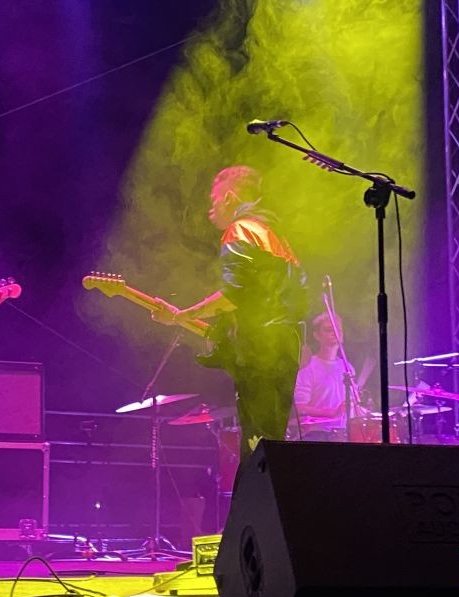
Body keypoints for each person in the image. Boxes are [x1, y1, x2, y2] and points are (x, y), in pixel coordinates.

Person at [154, 165, 309, 467]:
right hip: (285, 345)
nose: (210, 208)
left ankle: (256, 497)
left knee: (257, 446)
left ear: (229, 197)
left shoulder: (241, 230)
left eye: (214, 199)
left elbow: (234, 294)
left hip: (259, 351)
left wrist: (183, 315)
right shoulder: (274, 234)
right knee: (272, 439)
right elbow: (289, 294)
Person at [290, 312, 365, 441]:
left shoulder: (347, 367)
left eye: (338, 329)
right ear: (317, 336)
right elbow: (299, 408)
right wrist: (332, 413)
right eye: (329, 329)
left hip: (345, 434)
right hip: (317, 435)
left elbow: (352, 406)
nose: (335, 333)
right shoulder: (308, 367)